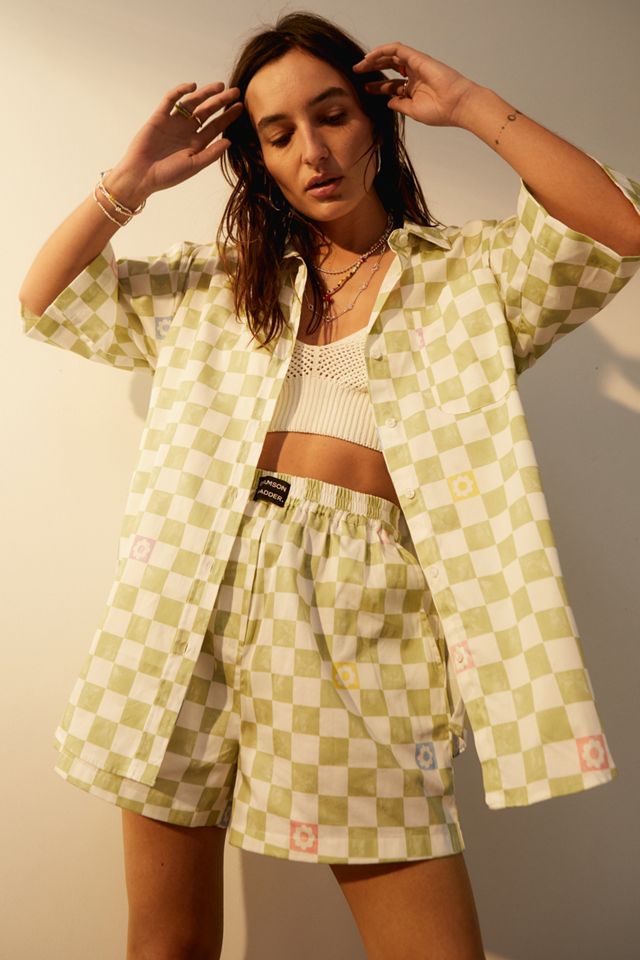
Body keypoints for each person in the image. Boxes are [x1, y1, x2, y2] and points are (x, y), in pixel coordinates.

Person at [19, 10, 640, 960]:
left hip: (360, 618)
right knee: (166, 945)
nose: (312, 151)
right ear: (258, 160)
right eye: (278, 134)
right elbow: (47, 301)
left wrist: (473, 105)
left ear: (376, 120)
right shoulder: (220, 287)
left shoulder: (469, 280)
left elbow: (620, 229)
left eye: (333, 115)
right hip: (185, 605)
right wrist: (131, 183)